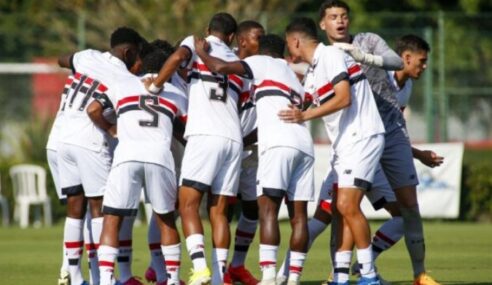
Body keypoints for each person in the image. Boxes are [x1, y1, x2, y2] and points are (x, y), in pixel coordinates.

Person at [318, 1, 442, 284]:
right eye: (334, 17)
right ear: (323, 24)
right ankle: (337, 273)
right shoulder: (324, 56)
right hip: (358, 137)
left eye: (344, 16)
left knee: (409, 206)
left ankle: (419, 274)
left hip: (392, 136)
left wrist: (362, 56)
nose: (341, 21)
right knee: (345, 208)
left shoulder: (368, 42)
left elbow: (395, 61)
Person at [194, 33, 315, 285]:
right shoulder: (294, 77)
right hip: (304, 145)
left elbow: (219, 67)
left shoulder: (262, 62)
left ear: (262, 50)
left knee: (268, 211)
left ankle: (269, 276)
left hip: (278, 144)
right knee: (299, 216)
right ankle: (293, 278)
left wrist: (200, 52)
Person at [281, 17, 385, 285]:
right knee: (337, 210)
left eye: (288, 44)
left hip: (362, 136)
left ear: (295, 41)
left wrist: (305, 115)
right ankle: (340, 275)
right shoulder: (315, 70)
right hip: (343, 146)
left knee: (347, 205)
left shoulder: (330, 54)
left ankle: (369, 275)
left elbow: (344, 97)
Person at [144, 12, 242, 285]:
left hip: (205, 134)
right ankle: (221, 275)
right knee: (219, 211)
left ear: (208, 29)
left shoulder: (198, 44)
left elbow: (175, 59)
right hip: (233, 137)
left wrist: (154, 86)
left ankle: (200, 269)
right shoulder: (237, 60)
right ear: (232, 37)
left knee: (187, 204)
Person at [87, 36, 187, 285]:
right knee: (165, 219)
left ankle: (108, 279)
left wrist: (113, 130)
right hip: (160, 157)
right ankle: (172, 279)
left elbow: (92, 110)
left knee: (112, 218)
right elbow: (186, 130)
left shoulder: (122, 84)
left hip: (127, 155)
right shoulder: (177, 92)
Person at [56, 27, 146, 285]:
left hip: (63, 136)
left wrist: (79, 68)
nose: (138, 62)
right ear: (128, 52)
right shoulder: (122, 76)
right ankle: (99, 279)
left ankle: (73, 277)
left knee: (74, 207)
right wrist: (111, 129)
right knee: (100, 208)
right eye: (137, 55)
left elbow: (62, 59)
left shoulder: (87, 56)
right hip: (90, 140)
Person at [139, 39, 188, 285]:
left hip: (144, 153)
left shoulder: (135, 83)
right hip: (166, 152)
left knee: (163, 211)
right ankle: (162, 272)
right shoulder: (174, 85)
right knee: (165, 212)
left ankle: (154, 266)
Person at [224, 20, 265, 285]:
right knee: (222, 209)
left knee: (252, 209)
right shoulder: (227, 70)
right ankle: (218, 269)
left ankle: (237, 266)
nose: (262, 41)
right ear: (241, 41)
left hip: (251, 151)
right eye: (257, 37)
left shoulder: (265, 71)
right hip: (226, 149)